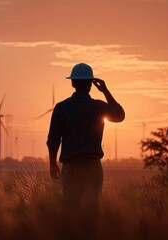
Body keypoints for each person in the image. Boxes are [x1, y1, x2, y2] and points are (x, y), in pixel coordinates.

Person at [46, 63, 125, 237]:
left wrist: (52, 164)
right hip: (92, 167)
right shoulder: (99, 107)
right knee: (92, 212)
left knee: (70, 211)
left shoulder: (61, 107)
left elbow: (53, 140)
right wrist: (105, 91)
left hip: (70, 167)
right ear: (91, 84)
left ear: (72, 83)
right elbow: (119, 115)